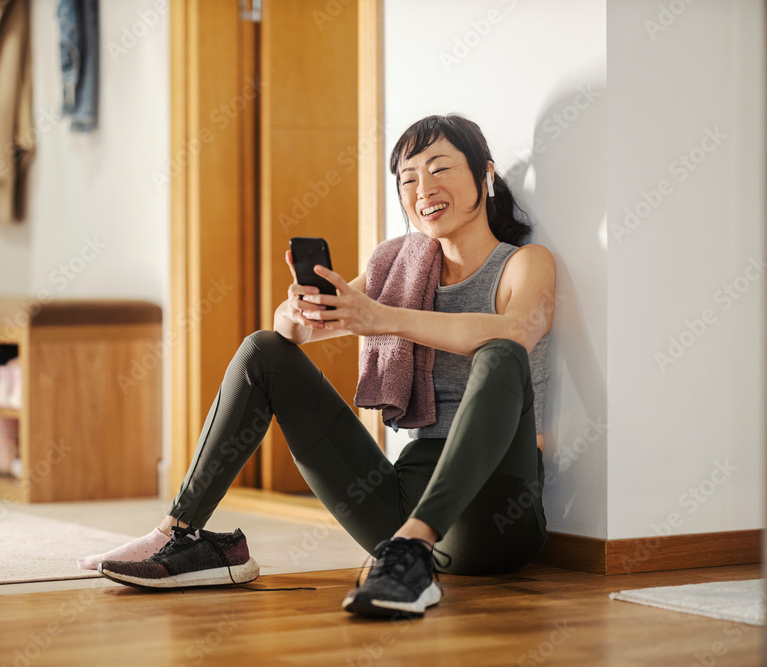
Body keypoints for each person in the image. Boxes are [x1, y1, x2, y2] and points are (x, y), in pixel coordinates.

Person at [80, 114, 555, 619]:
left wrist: (380, 317)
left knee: (500, 353)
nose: (424, 189)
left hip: (497, 511)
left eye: (440, 169)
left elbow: (518, 332)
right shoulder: (400, 268)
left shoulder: (523, 263)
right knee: (263, 348)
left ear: (485, 173)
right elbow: (306, 330)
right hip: (403, 498)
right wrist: (296, 316)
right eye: (409, 178)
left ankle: (412, 553)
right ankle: (180, 536)